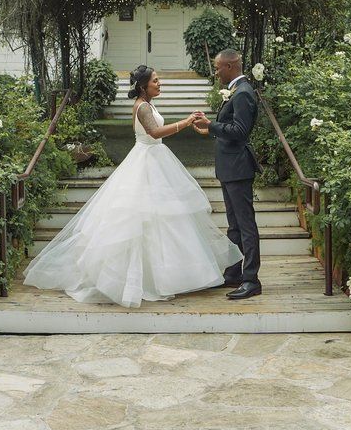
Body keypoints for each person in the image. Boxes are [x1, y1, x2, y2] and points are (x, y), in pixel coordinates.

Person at [22, 64, 242, 308]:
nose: (159, 84)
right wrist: (186, 121)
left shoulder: (148, 104)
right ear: (142, 86)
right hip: (146, 160)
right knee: (142, 219)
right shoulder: (143, 106)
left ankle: (167, 276)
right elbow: (155, 132)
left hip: (155, 158)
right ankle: (141, 280)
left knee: (165, 220)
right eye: (155, 81)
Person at [192, 48, 262, 300]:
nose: (215, 71)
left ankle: (251, 278)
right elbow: (229, 126)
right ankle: (233, 272)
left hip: (238, 167)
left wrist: (212, 125)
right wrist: (211, 128)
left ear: (231, 66)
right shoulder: (237, 89)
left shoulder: (243, 93)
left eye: (218, 67)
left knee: (245, 224)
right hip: (229, 167)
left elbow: (240, 130)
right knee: (234, 225)